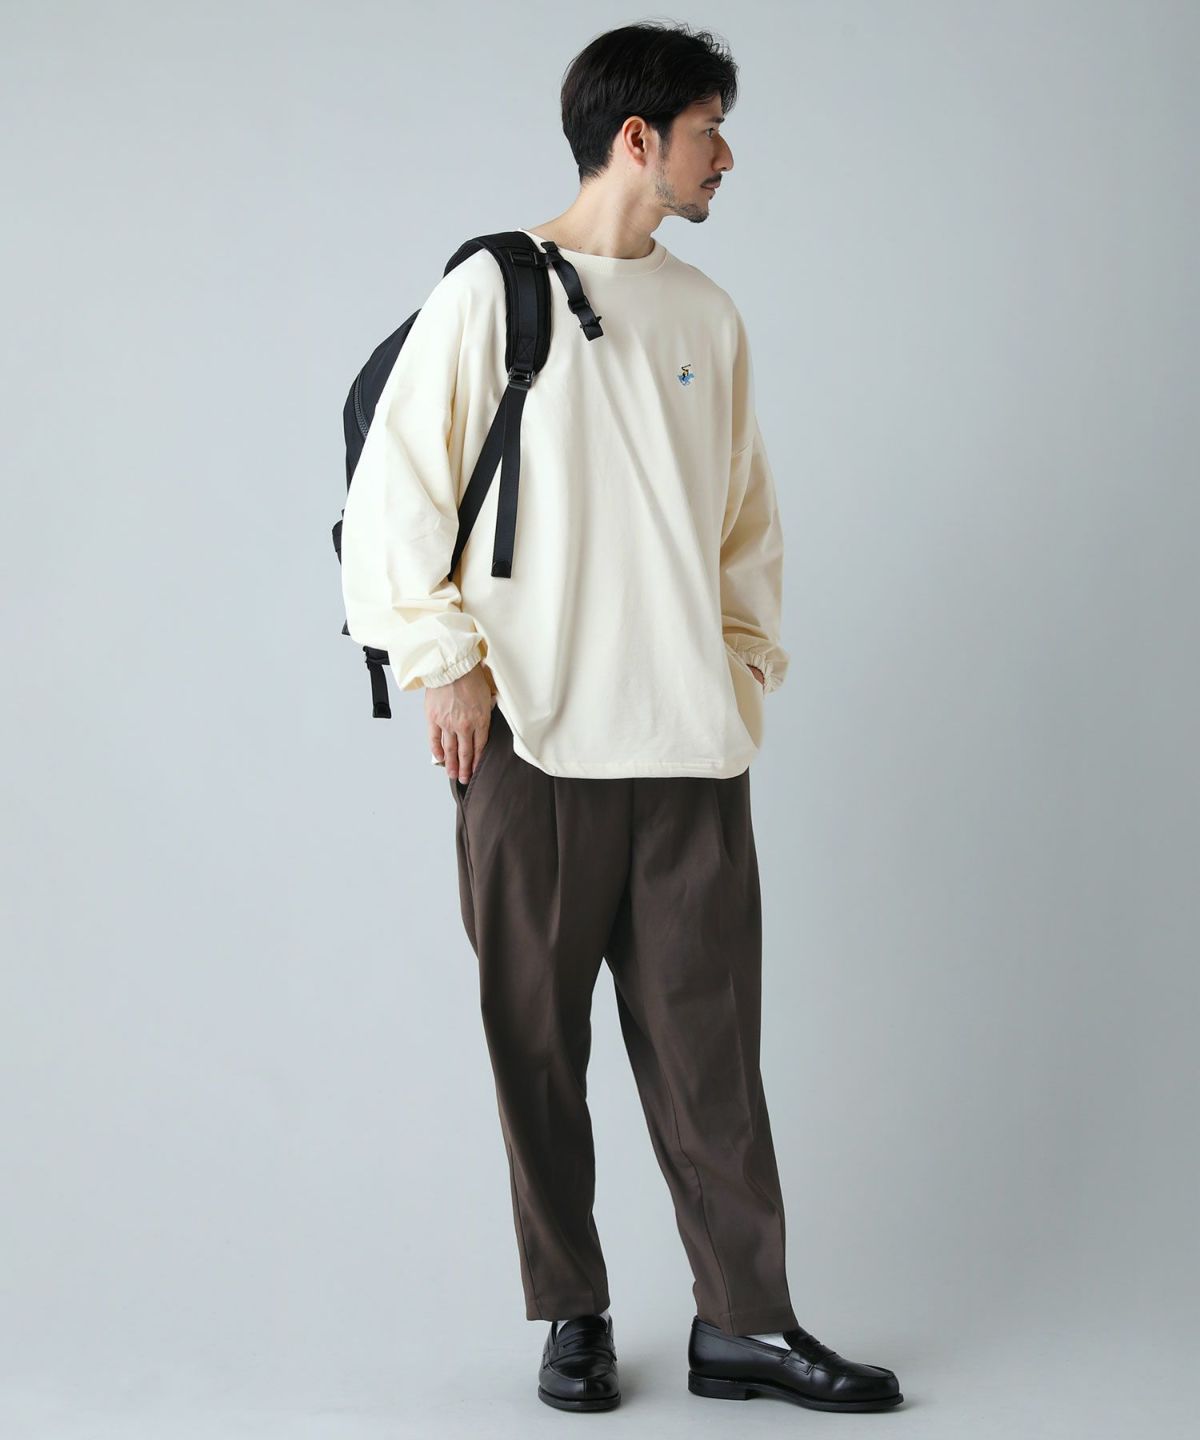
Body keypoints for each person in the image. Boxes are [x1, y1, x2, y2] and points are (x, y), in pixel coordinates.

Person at [339, 19, 902, 1416]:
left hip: (690, 750)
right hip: (531, 744)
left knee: (715, 1056)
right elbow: (395, 495)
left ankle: (746, 1325)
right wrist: (443, 664)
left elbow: (746, 522)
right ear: (638, 139)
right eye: (712, 130)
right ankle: (573, 1314)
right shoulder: (492, 291)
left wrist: (744, 673)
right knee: (537, 1049)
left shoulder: (707, 315)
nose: (729, 157)